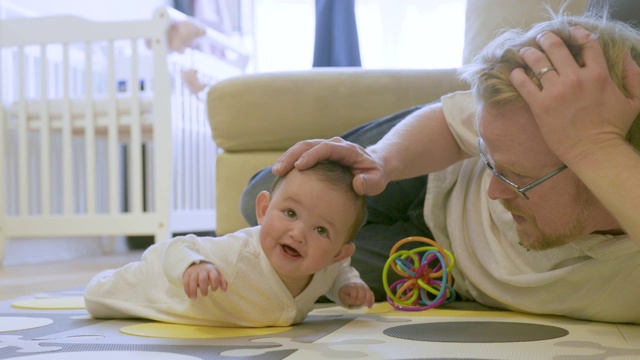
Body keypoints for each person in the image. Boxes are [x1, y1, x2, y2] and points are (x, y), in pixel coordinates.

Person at [240, 12, 640, 324]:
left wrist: (595, 144)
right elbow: (451, 124)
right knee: (265, 193)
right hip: (427, 173)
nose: (494, 192)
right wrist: (381, 160)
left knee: (287, 265)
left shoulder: (599, 152)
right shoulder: (527, 119)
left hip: (440, 273)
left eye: (519, 180)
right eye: (492, 165)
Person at [85, 161, 374, 327]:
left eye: (321, 229)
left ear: (338, 253)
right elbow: (177, 247)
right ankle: (104, 280)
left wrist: (347, 286)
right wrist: (194, 265)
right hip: (165, 288)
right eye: (290, 213)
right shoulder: (235, 255)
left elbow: (339, 272)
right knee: (98, 297)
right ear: (263, 209)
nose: (298, 233)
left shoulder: (330, 266)